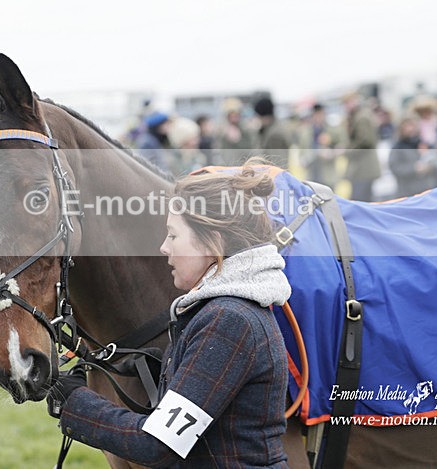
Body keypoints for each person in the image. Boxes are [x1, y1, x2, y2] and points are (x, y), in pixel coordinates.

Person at [48, 162, 291, 468]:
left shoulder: (228, 321)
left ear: (212, 241)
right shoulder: (227, 311)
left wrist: (75, 403)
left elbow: (157, 445)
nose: (164, 248)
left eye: (173, 236)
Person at [342, 91, 381, 202]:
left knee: (360, 200)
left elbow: (365, 142)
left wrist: (347, 151)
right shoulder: (360, 115)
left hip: (363, 167)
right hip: (364, 167)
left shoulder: (361, 117)